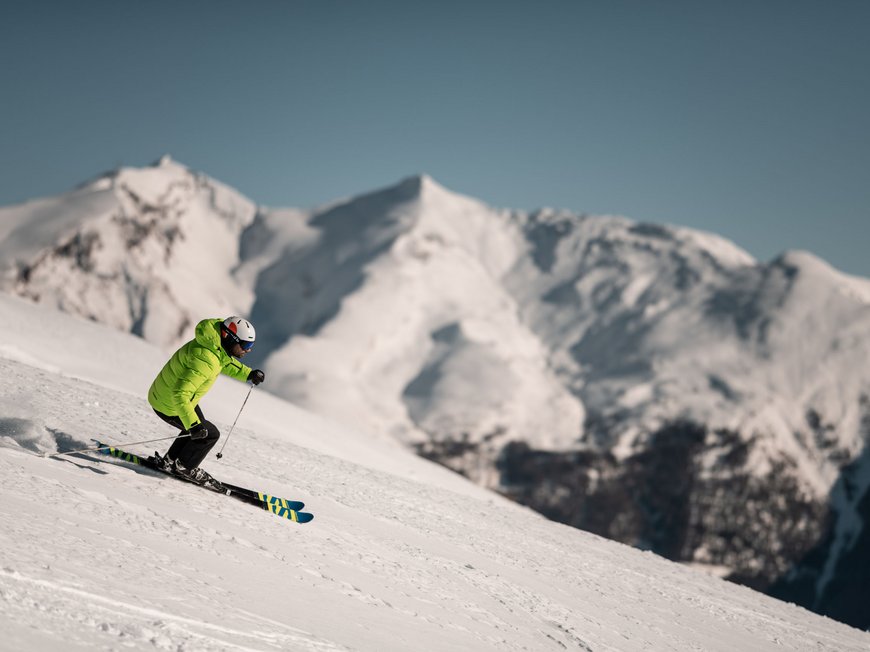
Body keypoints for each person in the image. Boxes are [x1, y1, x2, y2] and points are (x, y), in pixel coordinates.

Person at [147, 316, 265, 483]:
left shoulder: (213, 347)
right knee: (208, 434)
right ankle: (185, 468)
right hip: (169, 403)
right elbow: (180, 394)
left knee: (197, 425)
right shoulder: (206, 359)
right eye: (246, 345)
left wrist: (248, 374)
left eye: (250, 346)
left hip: (167, 396)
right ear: (231, 338)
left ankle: (171, 461)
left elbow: (224, 362)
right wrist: (193, 426)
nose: (248, 350)